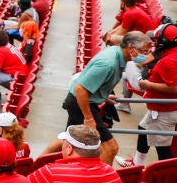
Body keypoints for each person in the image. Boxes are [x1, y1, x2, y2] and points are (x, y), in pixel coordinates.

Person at [44, 31, 154, 164]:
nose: (146, 56)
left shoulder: (119, 55)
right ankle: (101, 181)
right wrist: (88, 118)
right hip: (79, 102)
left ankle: (36, 165)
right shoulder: (107, 64)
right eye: (144, 51)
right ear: (130, 48)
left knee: (68, 140)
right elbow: (80, 89)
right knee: (110, 148)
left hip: (82, 100)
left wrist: (103, 95)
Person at [132, 23, 177, 165]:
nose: (155, 43)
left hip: (164, 110)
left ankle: (167, 182)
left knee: (162, 148)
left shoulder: (169, 61)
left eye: (157, 39)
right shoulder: (171, 54)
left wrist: (148, 85)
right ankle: (137, 163)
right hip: (159, 108)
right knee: (143, 128)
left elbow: (175, 88)